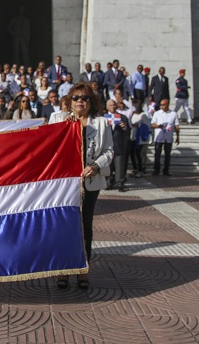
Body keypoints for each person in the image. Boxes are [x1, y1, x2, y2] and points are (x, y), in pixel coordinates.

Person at [56, 83, 113, 291]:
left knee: (84, 226)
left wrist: (96, 166)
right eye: (76, 97)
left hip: (89, 183)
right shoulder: (58, 119)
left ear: (92, 102)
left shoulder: (101, 123)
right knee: (63, 226)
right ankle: (62, 269)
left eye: (85, 98)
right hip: (63, 185)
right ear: (69, 101)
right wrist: (64, 125)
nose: (80, 101)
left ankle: (82, 270)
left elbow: (109, 151)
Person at [105, 99, 130, 192]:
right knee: (108, 165)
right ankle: (109, 182)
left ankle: (120, 183)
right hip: (107, 146)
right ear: (107, 107)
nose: (112, 107)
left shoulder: (122, 117)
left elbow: (128, 131)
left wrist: (125, 127)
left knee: (120, 165)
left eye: (114, 105)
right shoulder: (103, 118)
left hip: (118, 145)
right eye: (110, 105)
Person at [151, 98, 180, 176]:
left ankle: (166, 170)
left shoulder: (173, 114)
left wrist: (178, 136)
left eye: (163, 105)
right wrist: (158, 126)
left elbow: (176, 126)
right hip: (159, 136)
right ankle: (156, 169)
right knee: (157, 154)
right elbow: (152, 124)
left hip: (168, 137)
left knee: (167, 154)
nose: (161, 106)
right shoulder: (157, 113)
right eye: (161, 105)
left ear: (167, 105)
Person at [130, 100, 151, 177]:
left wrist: (138, 125)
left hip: (141, 139)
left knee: (140, 154)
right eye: (135, 106)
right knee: (133, 154)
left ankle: (141, 169)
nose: (136, 108)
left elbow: (147, 126)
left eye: (138, 106)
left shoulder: (143, 115)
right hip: (133, 137)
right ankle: (135, 168)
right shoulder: (132, 115)